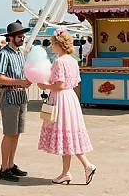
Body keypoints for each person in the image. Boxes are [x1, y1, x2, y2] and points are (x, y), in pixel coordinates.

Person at [37, 27, 96, 185]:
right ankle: (69, 172)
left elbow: (60, 85)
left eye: (53, 43)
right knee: (68, 136)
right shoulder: (72, 61)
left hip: (61, 99)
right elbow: (74, 83)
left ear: (58, 44)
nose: (51, 46)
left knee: (65, 136)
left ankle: (82, 167)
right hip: (71, 99)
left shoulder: (59, 61)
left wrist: (45, 86)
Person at [0, 20, 31, 182]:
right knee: (9, 133)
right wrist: (20, 82)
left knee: (16, 133)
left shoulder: (19, 54)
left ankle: (11, 164)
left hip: (21, 96)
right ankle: (4, 167)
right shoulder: (3, 54)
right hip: (9, 96)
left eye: (23, 34)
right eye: (19, 35)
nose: (22, 37)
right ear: (11, 37)